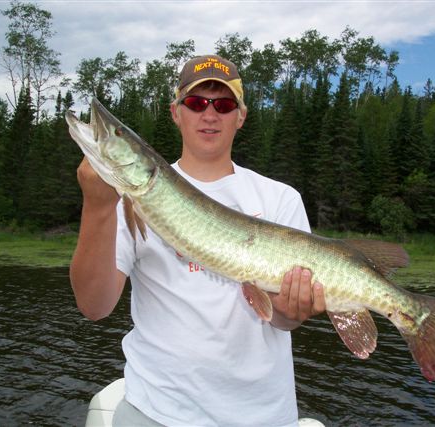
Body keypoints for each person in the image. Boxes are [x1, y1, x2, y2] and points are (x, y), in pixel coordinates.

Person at [70, 54, 326, 427]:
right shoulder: (127, 200)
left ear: (241, 116)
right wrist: (96, 205)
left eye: (223, 105)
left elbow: (282, 319)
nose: (209, 114)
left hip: (262, 416)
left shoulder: (279, 199)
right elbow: (94, 306)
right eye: (196, 103)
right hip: (156, 412)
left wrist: (292, 309)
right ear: (176, 112)